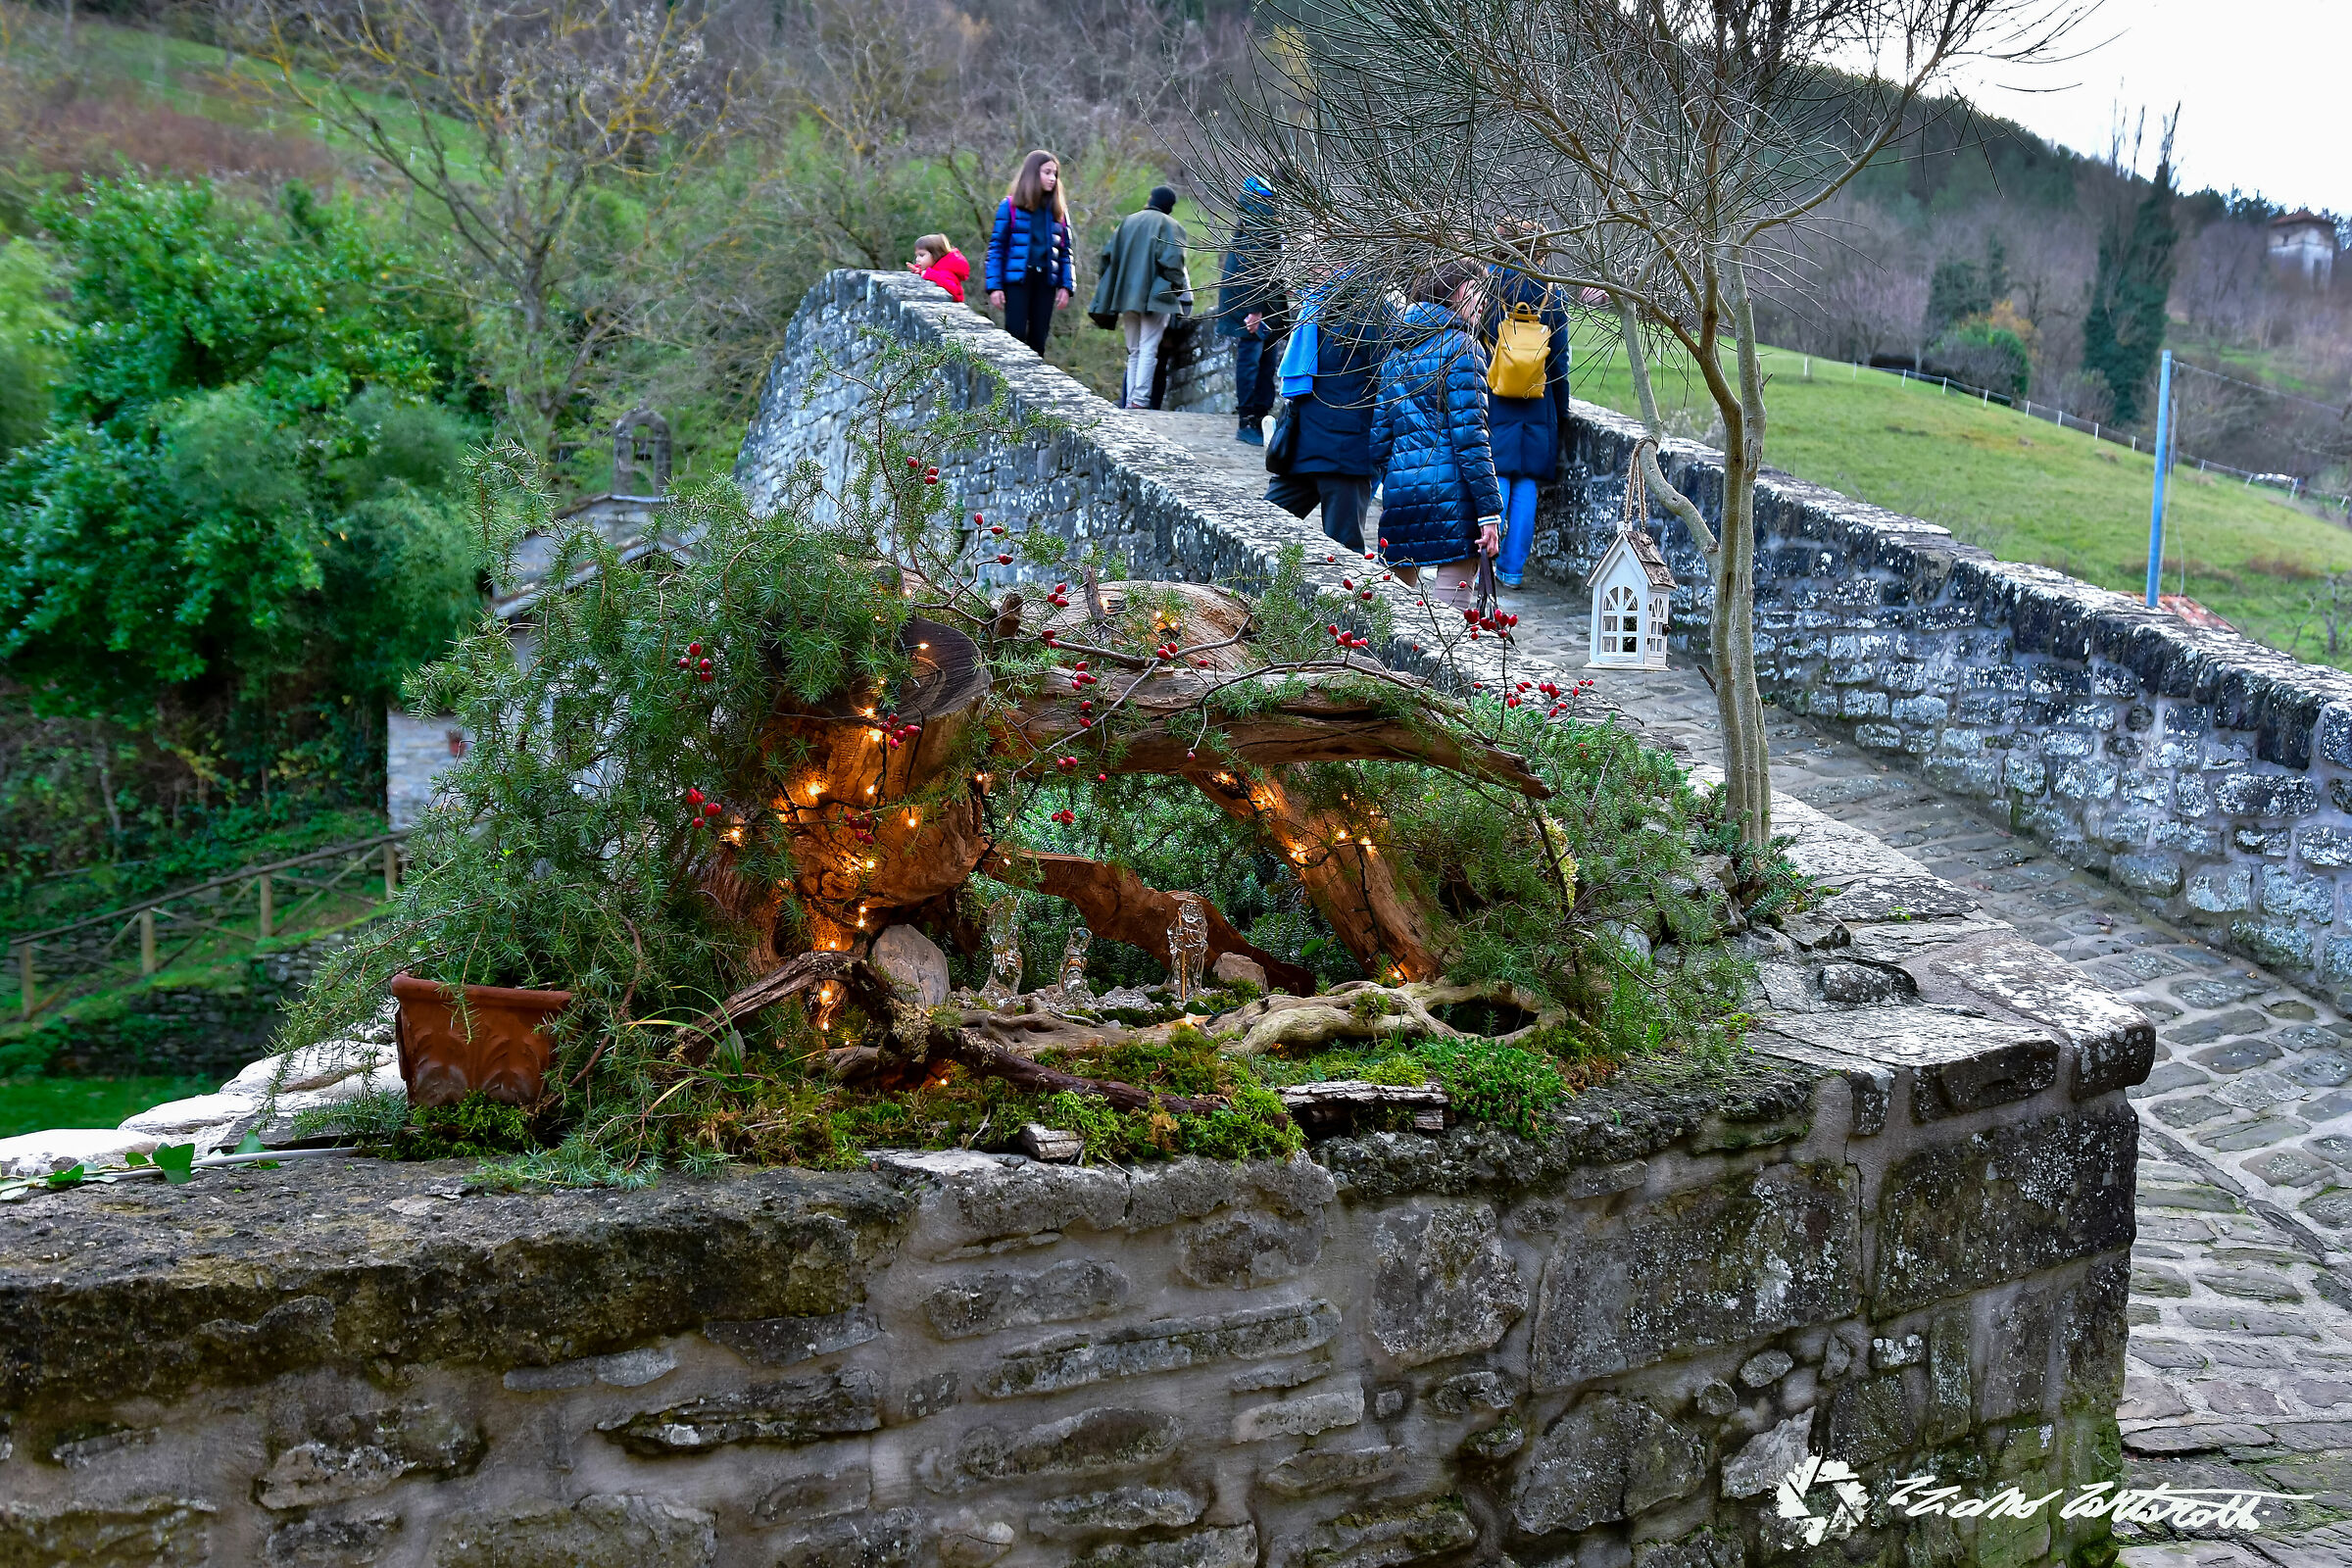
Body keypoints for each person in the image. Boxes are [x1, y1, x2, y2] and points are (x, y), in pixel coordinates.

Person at [1368, 262, 1502, 590]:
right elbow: (1471, 439)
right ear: (1453, 290)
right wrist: (1489, 513)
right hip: (1454, 492)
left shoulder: (1396, 350)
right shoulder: (1462, 349)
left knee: (1396, 613)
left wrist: (1394, 478)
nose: (1483, 301)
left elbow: (1379, 439)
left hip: (1402, 489)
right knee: (1451, 624)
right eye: (1476, 290)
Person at [1262, 268, 1391, 551]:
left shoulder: (1369, 306)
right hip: (1302, 447)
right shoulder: (1315, 303)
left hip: (1344, 455)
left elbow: (1387, 380)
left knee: (1343, 553)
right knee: (1261, 532)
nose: (1306, 260)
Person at [1483, 264, 1571, 587]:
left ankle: (1486, 563)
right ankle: (1512, 570)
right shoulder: (1552, 292)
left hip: (1496, 394)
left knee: (1499, 474)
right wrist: (1560, 410)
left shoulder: (1491, 287)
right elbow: (1559, 358)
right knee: (1526, 482)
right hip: (1539, 399)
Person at [1087, 186, 1194, 409]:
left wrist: (1116, 287)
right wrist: (1171, 291)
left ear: (1150, 199)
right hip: (1157, 299)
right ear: (1170, 207)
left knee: (1133, 350)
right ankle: (1140, 401)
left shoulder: (1127, 222)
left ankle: (1129, 402)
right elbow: (1174, 265)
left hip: (1126, 297)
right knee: (1148, 348)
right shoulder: (1171, 226)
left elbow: (1106, 259)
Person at [1216, 175, 1287, 445]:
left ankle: (1258, 419)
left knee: (1263, 360)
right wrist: (1254, 309)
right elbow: (1255, 260)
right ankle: (1249, 422)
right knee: (1252, 360)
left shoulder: (1255, 208)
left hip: (1259, 300)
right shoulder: (1262, 211)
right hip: (1253, 301)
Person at [985, 151, 1076, 355]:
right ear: (1033, 174)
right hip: (1018, 280)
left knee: (1038, 340)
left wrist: (1066, 285)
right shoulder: (1010, 206)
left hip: (1045, 280)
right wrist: (994, 287)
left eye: (1055, 173)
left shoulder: (1058, 210)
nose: (1052, 178)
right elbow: (997, 248)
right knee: (1014, 335)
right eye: (1047, 172)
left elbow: (1065, 252)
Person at [907, 233, 970, 305]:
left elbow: (953, 290)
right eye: (917, 256)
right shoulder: (938, 267)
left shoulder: (946, 270)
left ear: (936, 254)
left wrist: (930, 275)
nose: (917, 259)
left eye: (921, 255)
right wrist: (919, 271)